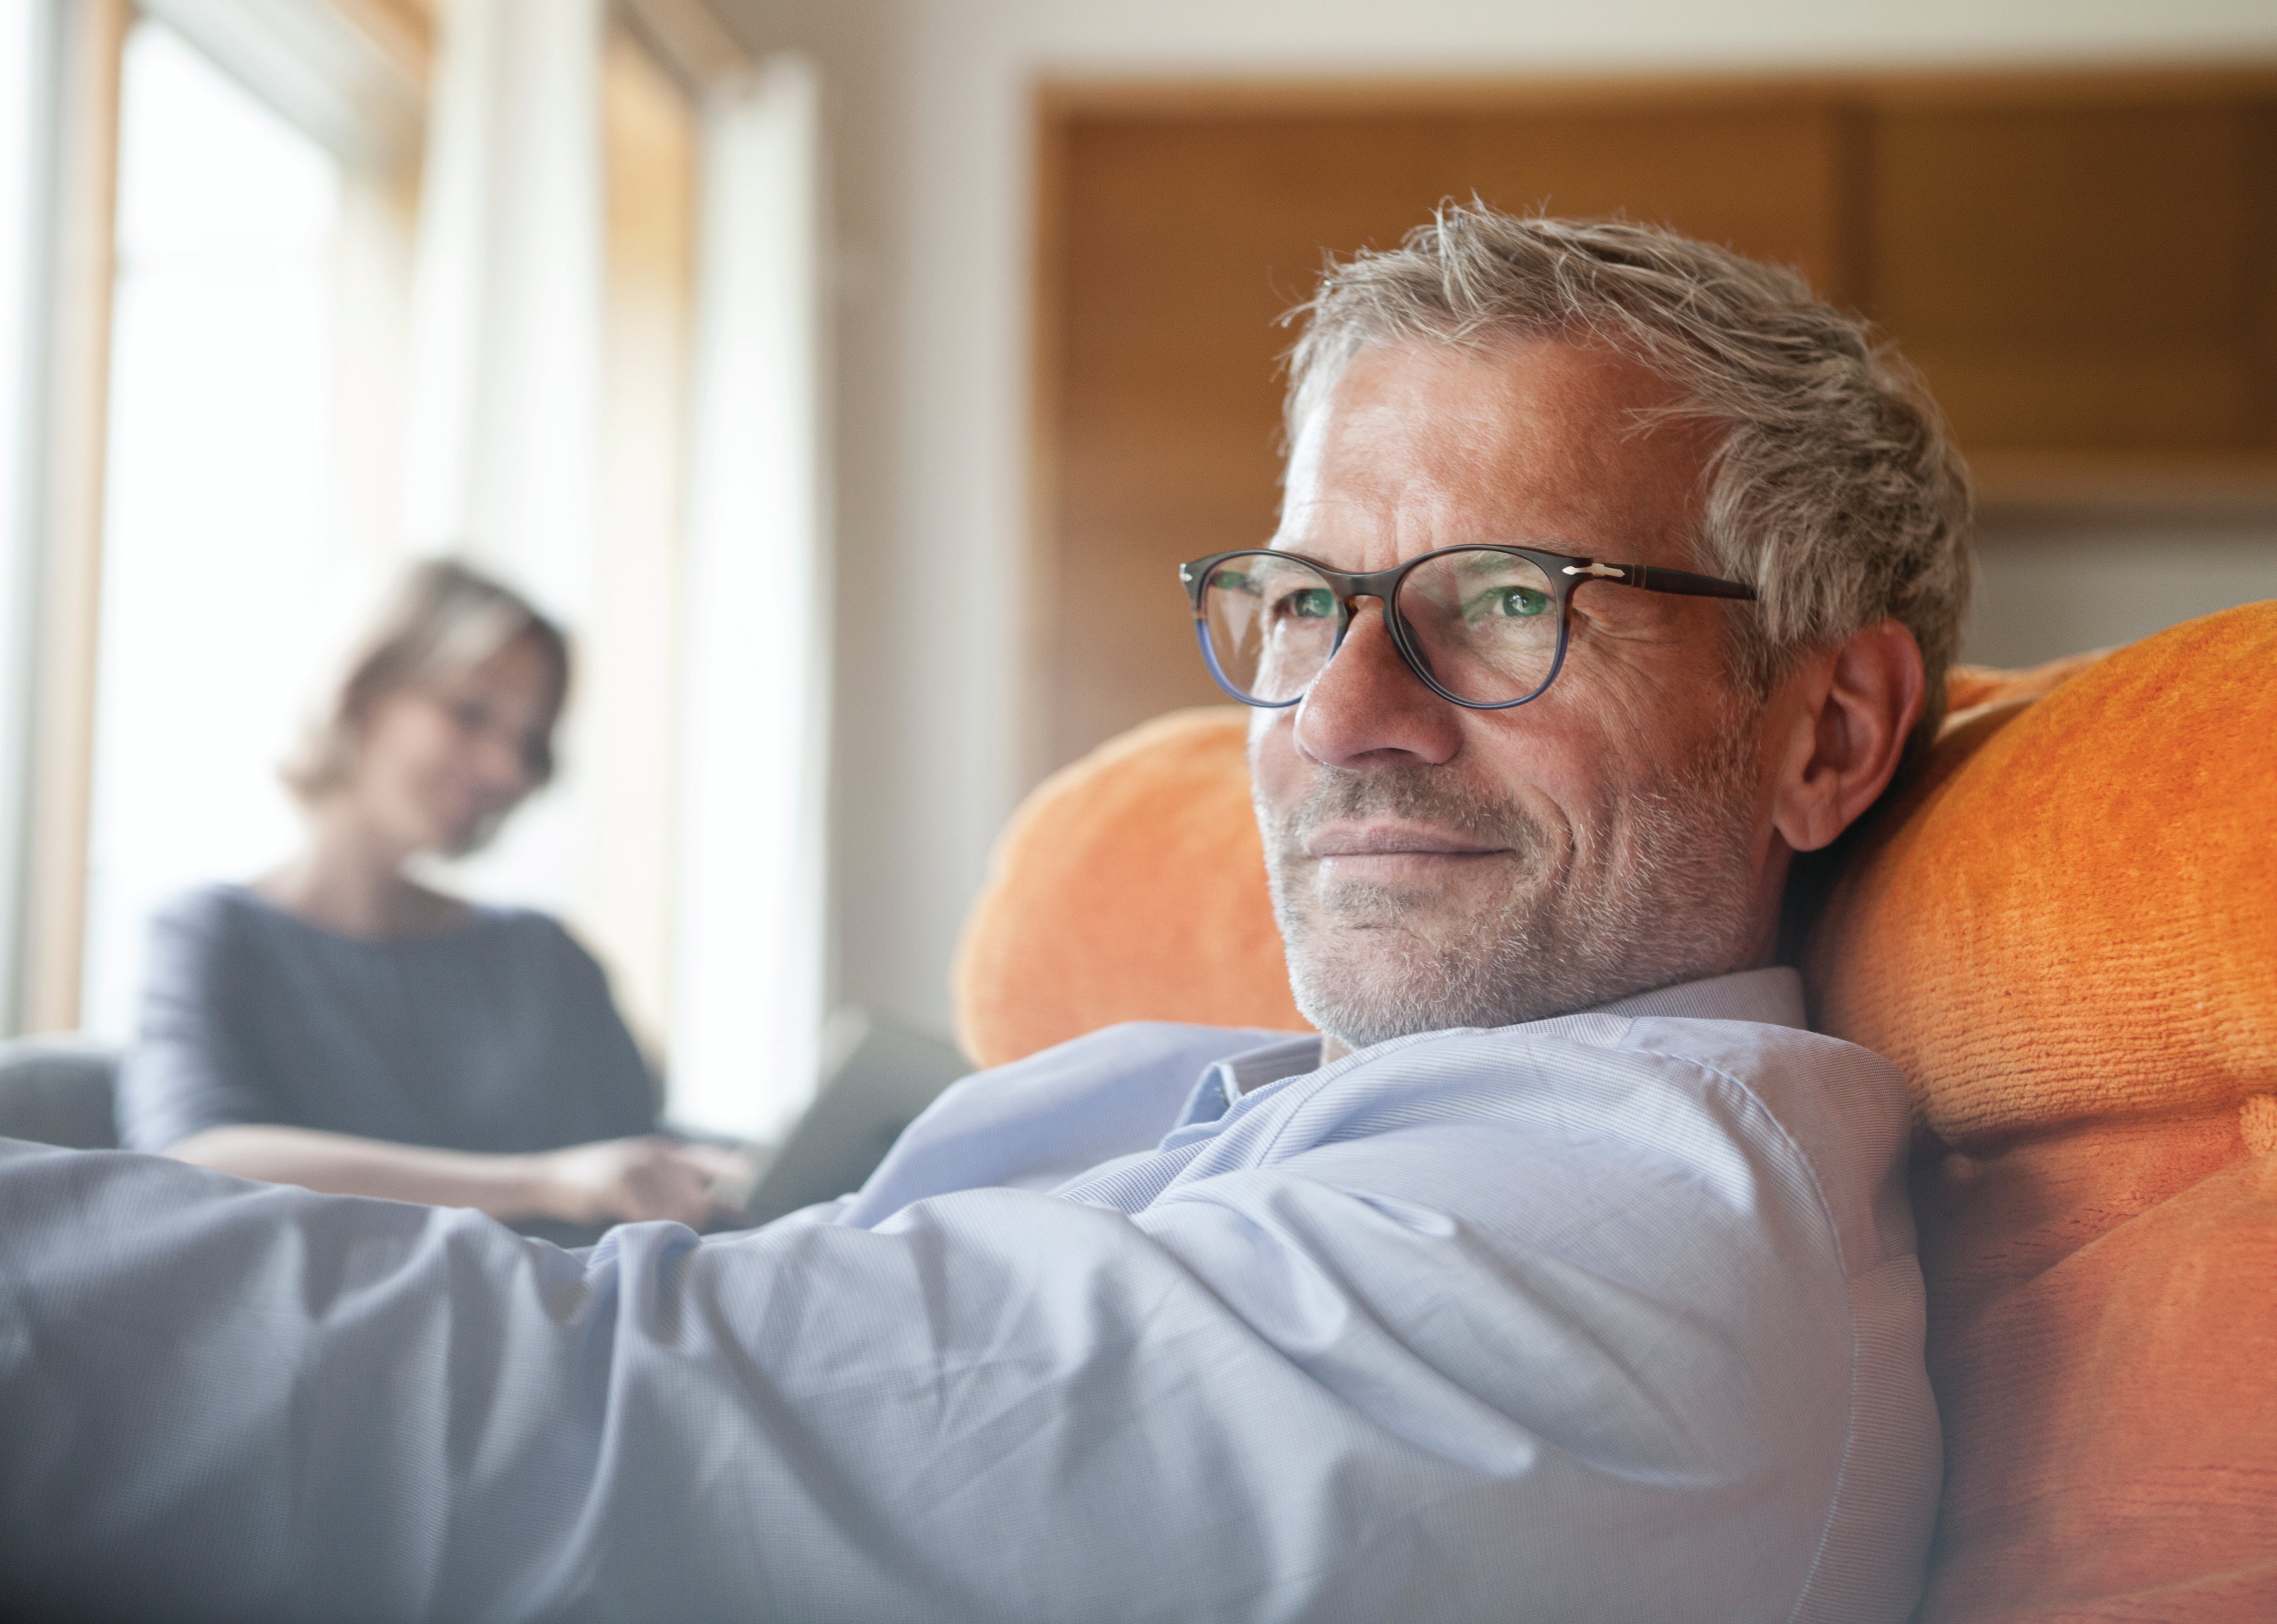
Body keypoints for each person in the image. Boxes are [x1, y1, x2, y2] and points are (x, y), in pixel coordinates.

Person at [0, 208, 1970, 1621]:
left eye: (1507, 604)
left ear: (1829, 730)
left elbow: (608, 1421)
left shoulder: (1612, 1260)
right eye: (1302, 601)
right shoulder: (1420, 1120)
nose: (1337, 718)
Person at [113, 559, 742, 1229]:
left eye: (528, 742)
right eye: (471, 713)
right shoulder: (214, 932)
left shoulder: (545, 955)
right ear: (362, 692)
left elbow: (640, 1158)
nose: (506, 769)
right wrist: (542, 1183)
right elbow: (195, 1160)